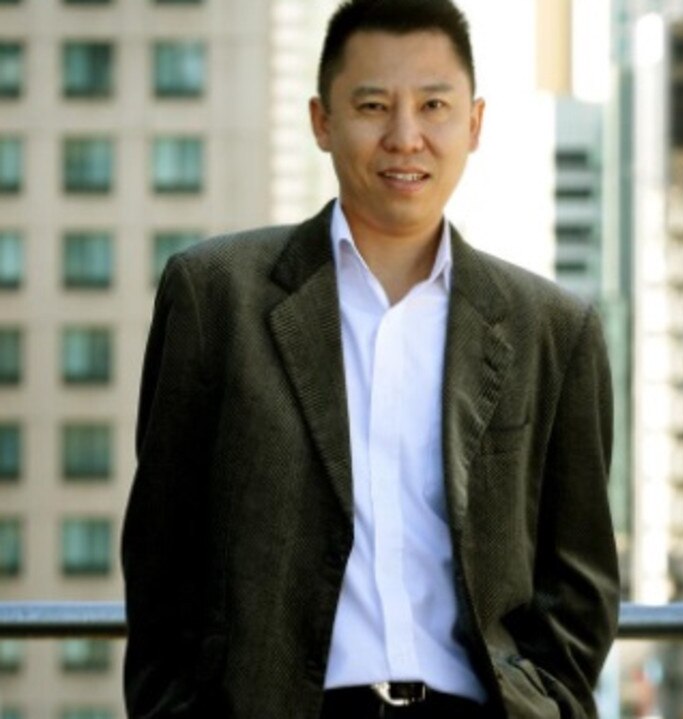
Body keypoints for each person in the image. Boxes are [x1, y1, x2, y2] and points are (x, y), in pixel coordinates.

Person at [120, 1, 619, 717]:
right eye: (374, 105)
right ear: (322, 120)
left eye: (433, 105)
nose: (405, 136)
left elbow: (579, 585)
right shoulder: (215, 299)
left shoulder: (552, 329)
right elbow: (161, 560)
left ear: (473, 123)